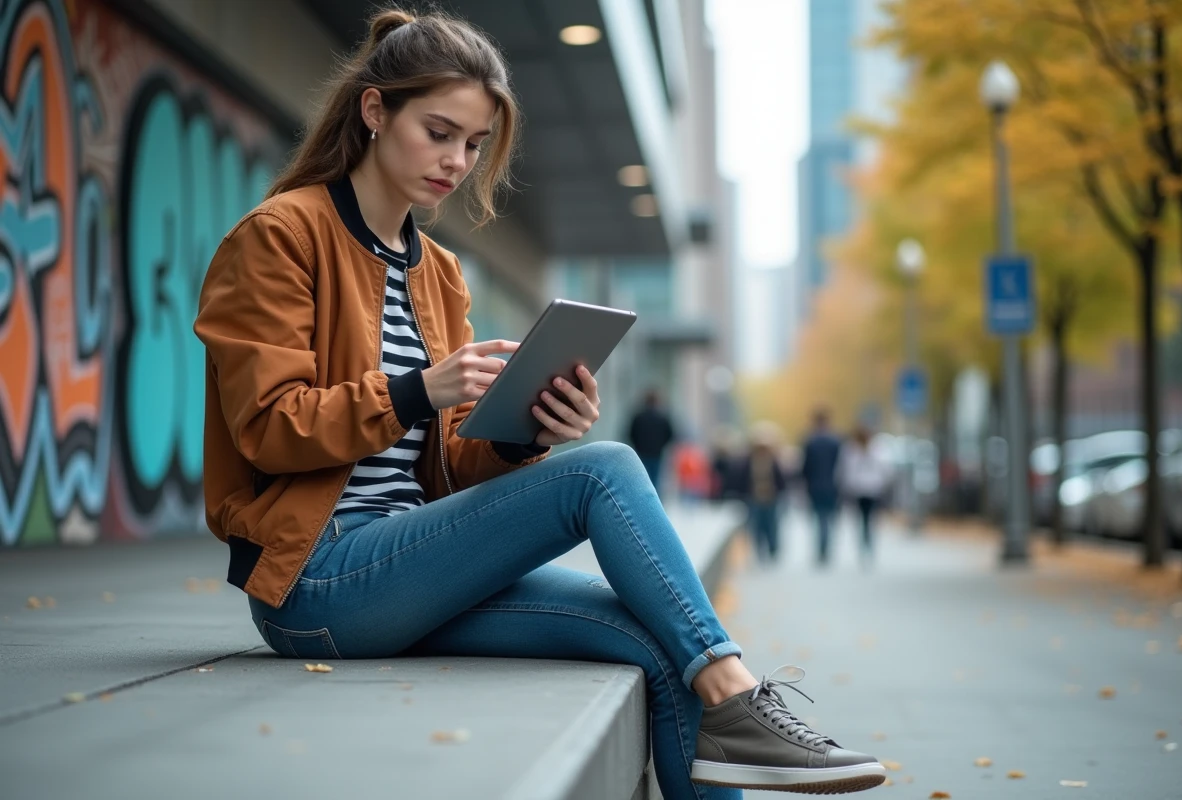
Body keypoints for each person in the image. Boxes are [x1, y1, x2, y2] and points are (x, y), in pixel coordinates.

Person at [192, 9, 883, 797]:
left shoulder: (439, 272)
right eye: (439, 132)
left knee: (661, 647)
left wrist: (525, 433)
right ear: (375, 111)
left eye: (474, 144)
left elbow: (451, 468)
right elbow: (266, 431)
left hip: (415, 565)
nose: (456, 161)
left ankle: (726, 703)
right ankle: (738, 698)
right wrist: (421, 389)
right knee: (603, 471)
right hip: (318, 583)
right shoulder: (281, 236)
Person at [837, 425, 893, 566]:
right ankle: (866, 545)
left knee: (865, 520)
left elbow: (845, 471)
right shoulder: (854, 450)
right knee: (867, 519)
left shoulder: (873, 449)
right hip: (866, 489)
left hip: (866, 489)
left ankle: (866, 545)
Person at [737, 424, 788, 563]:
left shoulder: (773, 460)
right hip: (754, 498)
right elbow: (743, 478)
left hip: (770, 497)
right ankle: (760, 551)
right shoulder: (749, 460)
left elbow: (780, 479)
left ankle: (773, 548)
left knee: (771, 525)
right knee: (757, 526)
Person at [799, 409, 841, 567]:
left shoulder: (810, 441)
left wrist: (804, 482)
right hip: (832, 485)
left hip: (815, 486)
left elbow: (805, 467)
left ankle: (821, 548)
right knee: (828, 518)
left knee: (819, 518)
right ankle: (825, 547)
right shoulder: (835, 440)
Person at [628, 389, 676, 495]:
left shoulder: (638, 417)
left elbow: (630, 434)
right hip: (656, 454)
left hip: (641, 453)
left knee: (642, 479)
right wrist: (661, 446)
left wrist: (638, 445)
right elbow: (670, 435)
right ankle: (653, 502)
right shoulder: (662, 418)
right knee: (655, 480)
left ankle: (642, 500)